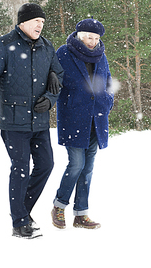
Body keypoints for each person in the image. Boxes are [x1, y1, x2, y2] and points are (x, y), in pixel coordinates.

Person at [0, 3, 64, 239]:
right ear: (22, 22)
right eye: (36, 20)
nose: (40, 25)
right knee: (20, 169)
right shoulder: (5, 44)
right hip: (13, 121)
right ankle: (19, 223)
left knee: (46, 165)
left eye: (43, 22)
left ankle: (22, 212)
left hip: (40, 120)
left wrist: (50, 99)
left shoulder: (47, 47)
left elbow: (59, 77)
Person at [51, 18, 114, 230]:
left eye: (96, 38)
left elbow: (108, 82)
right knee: (76, 164)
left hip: (97, 119)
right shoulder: (64, 53)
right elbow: (54, 82)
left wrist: (107, 101)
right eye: (89, 37)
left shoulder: (101, 56)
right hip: (74, 118)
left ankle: (81, 214)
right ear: (79, 35)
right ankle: (59, 206)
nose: (93, 41)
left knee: (87, 168)